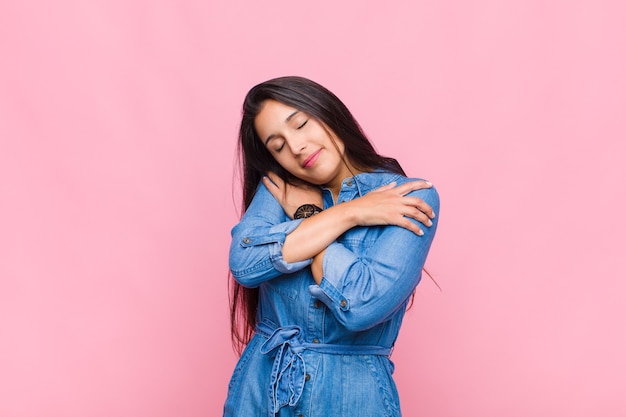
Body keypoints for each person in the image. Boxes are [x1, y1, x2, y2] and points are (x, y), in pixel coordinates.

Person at [224, 76, 440, 417]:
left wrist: (305, 219)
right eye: (277, 146)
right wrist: (350, 213)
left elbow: (361, 304)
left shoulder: (408, 198)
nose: (295, 148)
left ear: (328, 113)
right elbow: (245, 262)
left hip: (350, 397)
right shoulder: (279, 187)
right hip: (261, 393)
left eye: (300, 125)